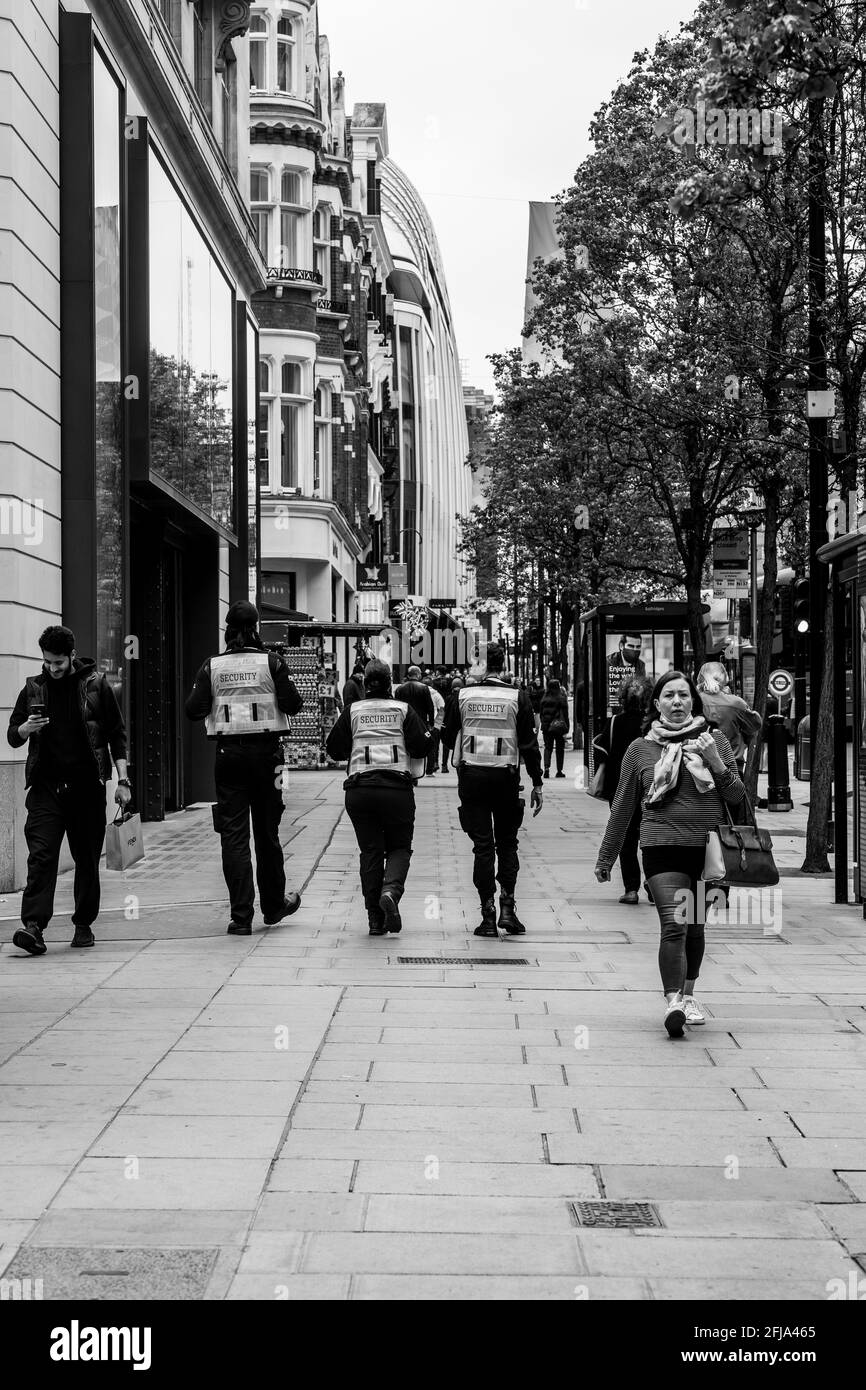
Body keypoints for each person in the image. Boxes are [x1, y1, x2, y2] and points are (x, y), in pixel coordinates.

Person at [594, 671, 745, 1037]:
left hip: (710, 852)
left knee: (695, 926)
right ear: (656, 704)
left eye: (683, 695)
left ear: (693, 701)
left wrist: (716, 762)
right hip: (661, 848)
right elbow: (623, 807)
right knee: (674, 924)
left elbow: (739, 799)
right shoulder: (639, 749)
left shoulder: (716, 741)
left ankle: (689, 993)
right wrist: (607, 856)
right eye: (669, 696)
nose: (677, 702)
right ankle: (674, 1000)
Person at [6, 625, 132, 956]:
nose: (52, 668)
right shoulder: (33, 689)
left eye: (58, 663)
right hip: (46, 789)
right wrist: (24, 728)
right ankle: (34, 927)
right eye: (47, 662)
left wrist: (123, 780)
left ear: (72, 656)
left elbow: (117, 734)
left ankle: (83, 924)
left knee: (87, 860)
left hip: (86, 789)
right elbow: (12, 736)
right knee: (42, 857)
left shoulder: (97, 686)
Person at [185, 600, 303, 936]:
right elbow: (294, 704)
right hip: (269, 758)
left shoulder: (212, 666)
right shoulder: (273, 663)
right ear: (255, 629)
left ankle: (241, 917)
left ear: (228, 629)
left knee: (233, 836)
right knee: (267, 832)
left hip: (228, 757)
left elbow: (193, 710)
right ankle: (273, 906)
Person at [443, 642, 544, 937]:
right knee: (508, 843)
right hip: (506, 779)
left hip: (472, 778)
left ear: (481, 665)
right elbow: (528, 744)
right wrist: (537, 782)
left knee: (483, 847)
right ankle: (508, 909)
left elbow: (449, 738)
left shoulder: (462, 696)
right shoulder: (518, 697)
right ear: (504, 664)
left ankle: (487, 915)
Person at [326, 659, 431, 934]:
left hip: (360, 790)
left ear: (364, 684)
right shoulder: (402, 710)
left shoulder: (353, 711)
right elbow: (422, 745)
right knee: (399, 847)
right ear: (389, 684)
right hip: (396, 788)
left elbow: (334, 749)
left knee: (370, 851)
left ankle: (375, 919)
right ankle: (391, 892)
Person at [593, 676, 653, 904]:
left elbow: (601, 752)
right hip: (650, 789)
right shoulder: (652, 725)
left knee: (626, 839)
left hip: (621, 788)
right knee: (649, 836)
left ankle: (631, 889)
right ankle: (652, 881)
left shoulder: (614, 722)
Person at [696, 662, 762, 776]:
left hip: (698, 766)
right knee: (733, 793)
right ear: (725, 678)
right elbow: (755, 724)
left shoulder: (692, 702)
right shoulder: (735, 703)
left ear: (700, 678)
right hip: (731, 765)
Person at [540, 678, 569, 778]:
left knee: (548, 747)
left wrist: (544, 724)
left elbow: (541, 714)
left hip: (546, 727)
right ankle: (559, 770)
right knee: (560, 749)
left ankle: (546, 768)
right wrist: (567, 727)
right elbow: (565, 714)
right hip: (558, 726)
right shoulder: (561, 698)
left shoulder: (544, 699)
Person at [395, 664, 435, 729]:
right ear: (418, 674)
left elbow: (397, 708)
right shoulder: (424, 688)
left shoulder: (399, 689)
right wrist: (431, 723)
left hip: (405, 723)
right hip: (421, 723)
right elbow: (430, 707)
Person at [424, 675, 446, 775]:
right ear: (432, 684)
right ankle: (432, 766)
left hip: (422, 723)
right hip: (433, 723)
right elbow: (442, 708)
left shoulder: (420, 693)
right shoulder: (436, 695)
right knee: (434, 745)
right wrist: (438, 724)